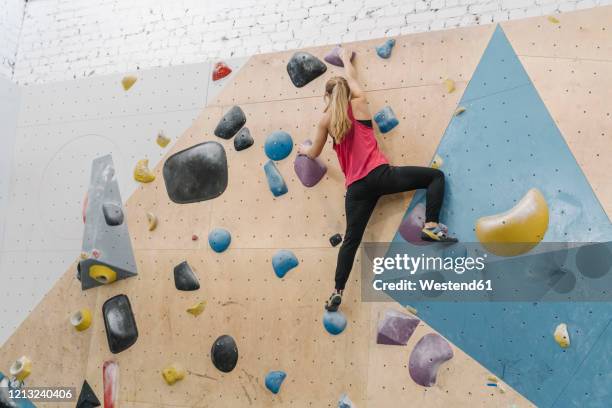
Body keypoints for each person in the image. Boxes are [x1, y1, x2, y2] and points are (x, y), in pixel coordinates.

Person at [297, 48, 458, 312]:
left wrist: (303, 151)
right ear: (347, 92)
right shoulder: (358, 103)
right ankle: (431, 225)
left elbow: (313, 152)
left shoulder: (325, 121)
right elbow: (352, 79)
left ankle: (337, 291)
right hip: (380, 176)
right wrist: (347, 61)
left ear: (327, 96)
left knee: (351, 240)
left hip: (357, 189)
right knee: (435, 177)